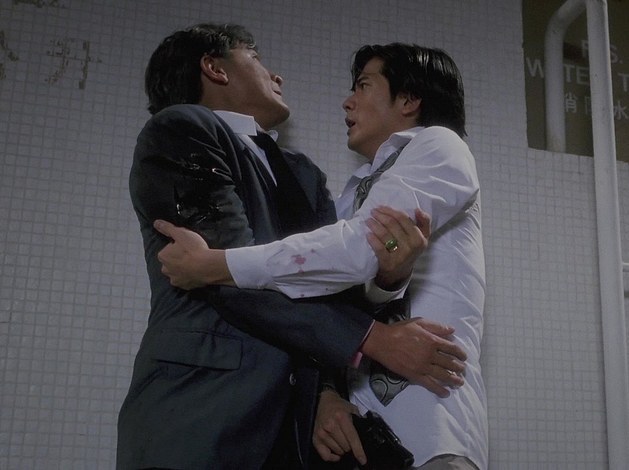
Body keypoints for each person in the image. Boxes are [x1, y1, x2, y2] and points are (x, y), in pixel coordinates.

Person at [119, 24, 467, 470]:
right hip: (200, 409)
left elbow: (323, 285)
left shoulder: (304, 174)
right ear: (214, 68)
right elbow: (225, 282)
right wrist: (371, 338)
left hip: (296, 432)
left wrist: (326, 391)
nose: (275, 75)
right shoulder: (181, 129)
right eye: (255, 58)